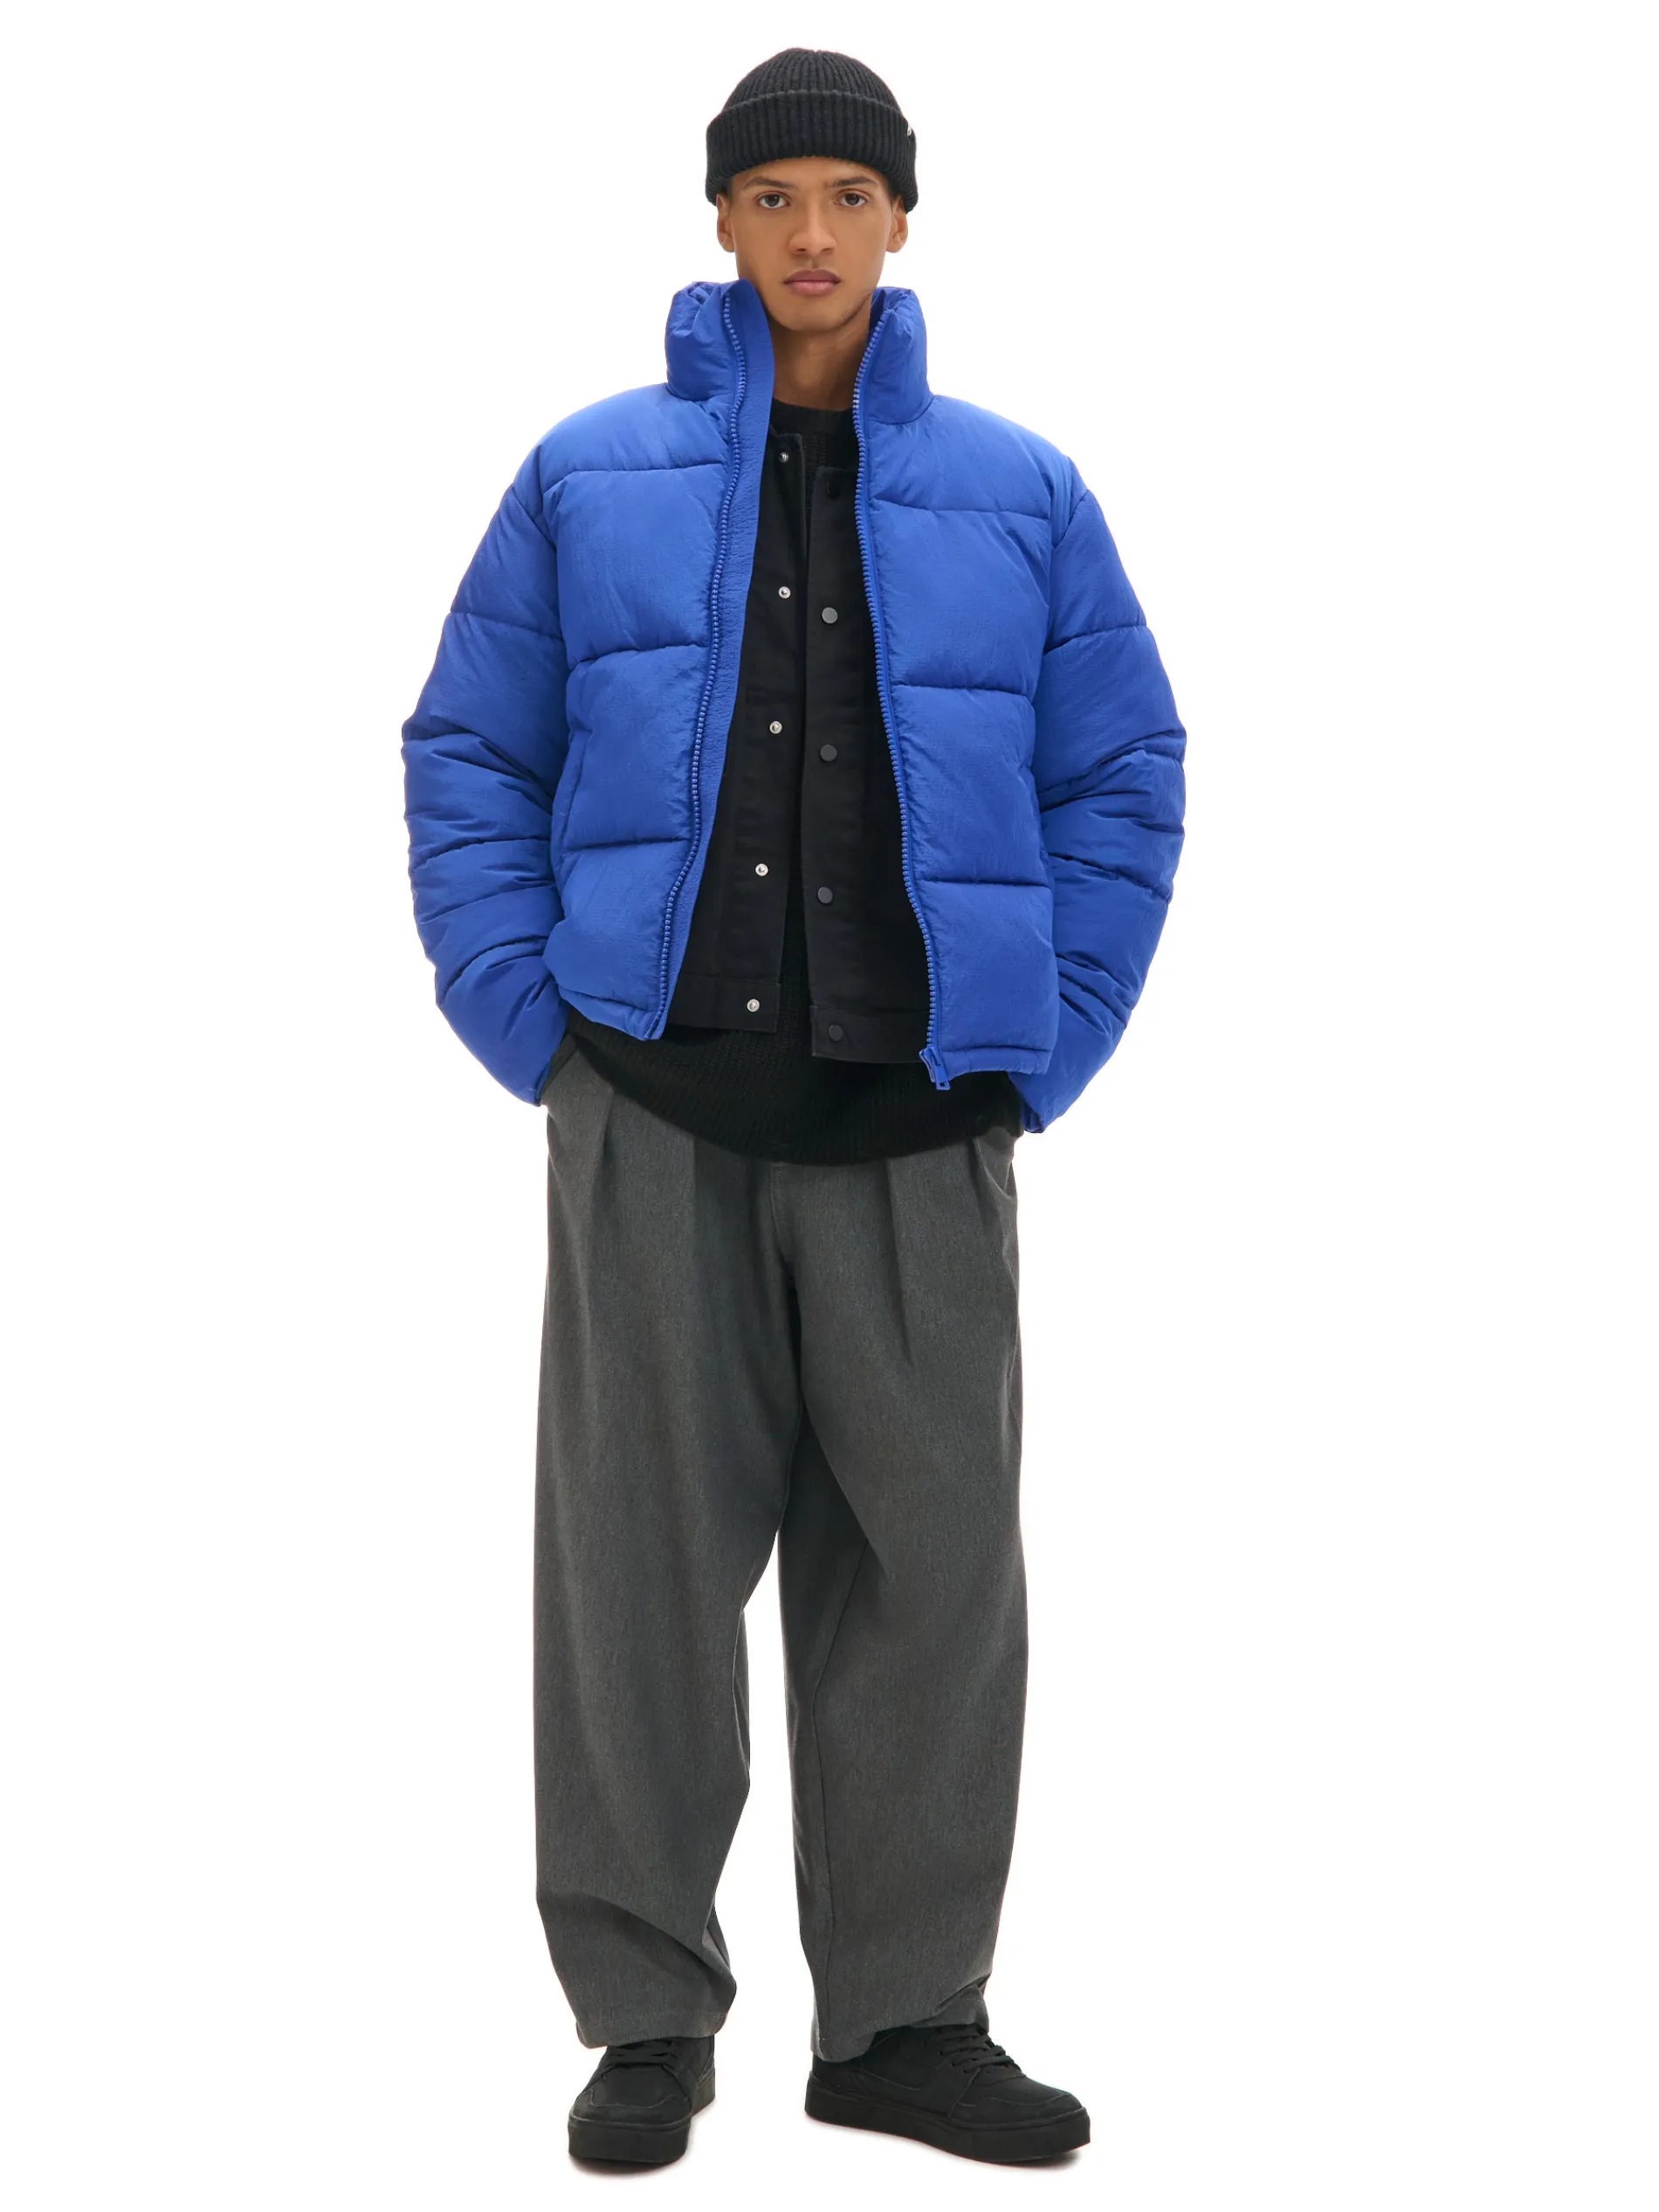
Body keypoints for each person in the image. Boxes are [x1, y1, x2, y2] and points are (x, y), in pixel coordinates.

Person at [402, 46, 1186, 2170]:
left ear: (901, 220)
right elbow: (469, 745)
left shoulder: (1020, 490)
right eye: (772, 197)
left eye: (847, 193)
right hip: (652, 1112)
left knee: (934, 1593)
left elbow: (1120, 768)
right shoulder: (589, 472)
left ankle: (905, 2023)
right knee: (633, 1588)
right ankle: (646, 2019)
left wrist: (1046, 1038)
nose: (811, 233)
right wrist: (529, 1019)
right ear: (722, 223)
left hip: (921, 1127)